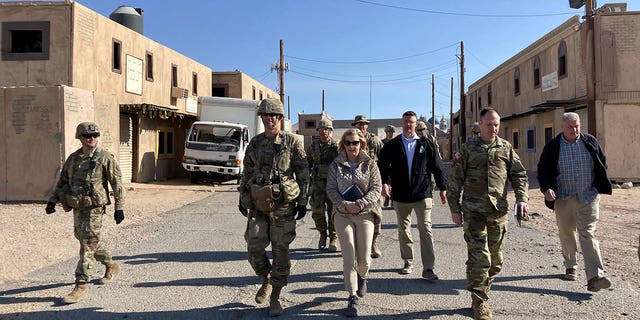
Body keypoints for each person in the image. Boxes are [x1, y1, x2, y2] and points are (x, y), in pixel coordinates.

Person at [447, 107, 529, 320]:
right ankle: (479, 302)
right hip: (474, 212)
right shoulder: (467, 149)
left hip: (497, 212)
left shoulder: (505, 147)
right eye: (489, 124)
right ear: (480, 125)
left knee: (495, 261)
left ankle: (482, 289)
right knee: (479, 258)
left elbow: (519, 174)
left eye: (496, 124)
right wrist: (454, 209)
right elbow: (455, 181)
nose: (493, 128)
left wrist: (522, 198)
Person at [237, 98, 309, 317]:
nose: (269, 119)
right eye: (266, 116)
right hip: (258, 203)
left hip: (283, 205)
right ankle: (266, 278)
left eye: (273, 115)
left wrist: (303, 201)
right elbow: (247, 172)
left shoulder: (293, 142)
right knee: (254, 246)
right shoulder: (255, 143)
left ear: (280, 118)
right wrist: (242, 196)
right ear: (262, 118)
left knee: (280, 250)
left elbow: (303, 173)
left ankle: (276, 294)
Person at [45, 122, 126, 304]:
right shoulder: (73, 159)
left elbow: (117, 184)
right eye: (88, 136)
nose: (92, 139)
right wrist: (52, 200)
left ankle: (80, 286)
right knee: (83, 239)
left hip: (94, 208)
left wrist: (119, 208)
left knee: (87, 245)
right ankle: (110, 264)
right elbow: (63, 182)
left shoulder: (104, 157)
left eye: (95, 135)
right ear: (80, 137)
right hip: (77, 206)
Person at [537, 112, 612, 292]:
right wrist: (547, 188)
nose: (574, 129)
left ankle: (595, 276)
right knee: (567, 233)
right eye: (570, 126)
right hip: (563, 197)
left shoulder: (590, 142)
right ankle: (571, 265)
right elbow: (543, 170)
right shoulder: (553, 147)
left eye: (577, 125)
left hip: (589, 195)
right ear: (562, 127)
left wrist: (599, 183)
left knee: (588, 233)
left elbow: (602, 162)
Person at [378, 111, 447, 280]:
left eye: (412, 122)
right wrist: (384, 183)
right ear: (402, 124)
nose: (409, 125)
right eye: (406, 122)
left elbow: (437, 166)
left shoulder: (426, 143)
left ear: (416, 124)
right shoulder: (392, 145)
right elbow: (382, 166)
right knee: (404, 230)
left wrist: (443, 187)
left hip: (422, 193)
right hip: (401, 195)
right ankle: (408, 261)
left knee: (425, 228)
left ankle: (429, 268)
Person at [326, 128, 382, 317]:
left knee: (364, 258)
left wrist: (359, 203)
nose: (352, 146)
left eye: (355, 142)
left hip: (365, 213)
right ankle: (352, 296)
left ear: (361, 144)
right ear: (344, 144)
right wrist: (344, 204)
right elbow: (331, 189)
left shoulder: (370, 164)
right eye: (348, 143)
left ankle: (363, 276)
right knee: (349, 255)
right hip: (343, 214)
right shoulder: (336, 164)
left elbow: (376, 189)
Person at [352, 115, 384, 258]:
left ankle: (373, 243)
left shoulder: (375, 141)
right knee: (355, 216)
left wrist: (385, 183)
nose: (362, 127)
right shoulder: (350, 141)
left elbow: (384, 162)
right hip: (355, 187)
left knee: (376, 214)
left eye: (364, 125)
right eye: (359, 125)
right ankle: (357, 246)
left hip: (373, 185)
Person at [307, 118, 339, 251]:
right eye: (321, 129)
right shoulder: (312, 147)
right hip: (317, 185)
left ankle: (333, 237)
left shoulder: (336, 147)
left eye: (326, 129)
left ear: (330, 131)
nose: (323, 132)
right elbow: (307, 165)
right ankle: (322, 234)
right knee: (317, 211)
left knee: (334, 213)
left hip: (333, 186)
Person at [381, 125, 395, 208]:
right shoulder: (382, 142)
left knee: (394, 184)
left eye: (392, 132)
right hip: (385, 166)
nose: (390, 133)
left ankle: (393, 201)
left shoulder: (396, 142)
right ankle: (387, 197)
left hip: (394, 167)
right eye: (389, 132)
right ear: (386, 132)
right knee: (386, 183)